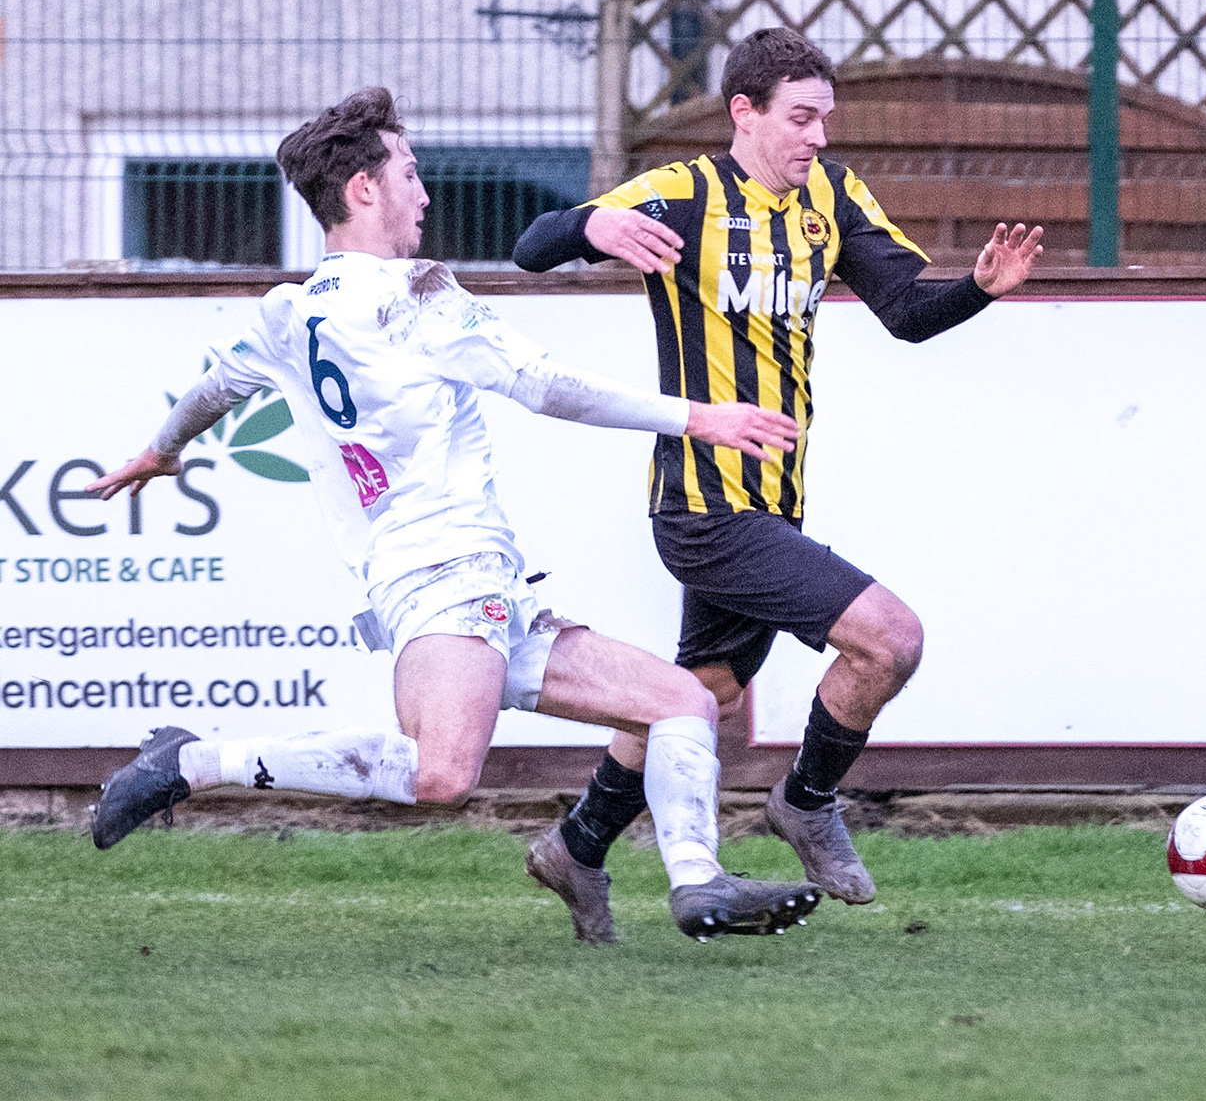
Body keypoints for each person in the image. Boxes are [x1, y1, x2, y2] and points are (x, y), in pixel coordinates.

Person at [85, 87, 821, 944]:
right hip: (441, 577)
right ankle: (192, 761)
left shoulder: (287, 311)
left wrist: (162, 449)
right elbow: (547, 386)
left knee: (681, 702)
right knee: (440, 776)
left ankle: (700, 883)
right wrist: (698, 416)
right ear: (364, 190)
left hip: (486, 581)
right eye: (411, 172)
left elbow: (215, 387)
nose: (425, 193)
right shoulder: (416, 293)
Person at [513, 27, 1044, 923]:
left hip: (775, 504)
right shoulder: (683, 193)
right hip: (702, 504)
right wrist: (589, 222)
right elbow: (532, 246)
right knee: (890, 639)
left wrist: (978, 289)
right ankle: (806, 801)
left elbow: (908, 314)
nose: (819, 139)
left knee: (699, 694)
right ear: (745, 113)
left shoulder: (831, 197)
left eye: (826, 120)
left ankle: (577, 845)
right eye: (801, 119)